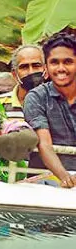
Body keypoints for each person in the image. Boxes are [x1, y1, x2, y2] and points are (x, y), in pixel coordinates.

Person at [23, 33, 76, 187]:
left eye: (68, 62)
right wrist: (65, 178)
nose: (61, 68)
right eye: (54, 62)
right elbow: (44, 144)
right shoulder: (36, 97)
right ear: (46, 68)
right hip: (48, 181)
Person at [0, 45, 46, 120]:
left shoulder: (58, 102)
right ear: (14, 74)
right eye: (24, 67)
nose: (31, 72)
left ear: (46, 71)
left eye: (36, 66)